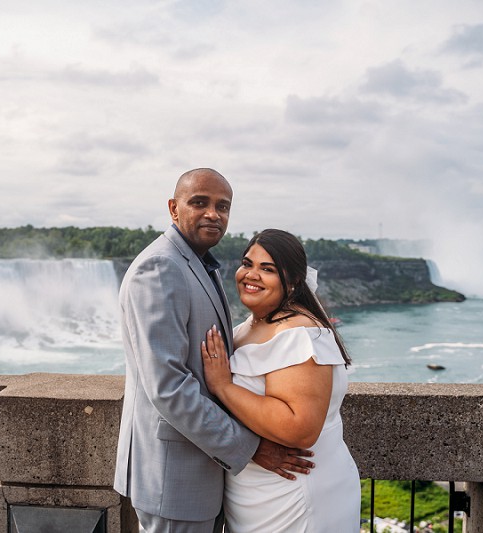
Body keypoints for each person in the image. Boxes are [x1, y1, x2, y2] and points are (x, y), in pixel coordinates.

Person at [114, 170, 315, 533]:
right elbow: (168, 387)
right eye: (200, 202)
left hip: (199, 471)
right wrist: (249, 447)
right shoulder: (161, 267)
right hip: (174, 476)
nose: (213, 214)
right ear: (174, 209)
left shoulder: (198, 264)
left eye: (223, 206)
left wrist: (297, 321)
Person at [201, 228, 361, 532]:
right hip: (255, 493)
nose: (252, 275)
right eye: (248, 264)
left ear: (293, 281)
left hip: (293, 494)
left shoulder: (297, 332)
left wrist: (223, 385)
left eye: (268, 269)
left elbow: (299, 428)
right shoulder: (255, 322)